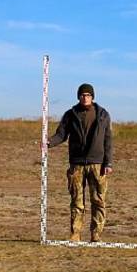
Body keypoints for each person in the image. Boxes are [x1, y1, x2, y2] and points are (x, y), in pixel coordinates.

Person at [47, 83, 113, 242]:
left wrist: (108, 163)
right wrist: (48, 143)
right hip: (77, 164)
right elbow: (61, 135)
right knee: (77, 201)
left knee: (98, 200)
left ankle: (96, 235)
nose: (85, 97)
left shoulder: (103, 114)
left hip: (97, 164)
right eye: (83, 95)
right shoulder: (70, 114)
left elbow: (108, 140)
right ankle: (75, 234)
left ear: (93, 97)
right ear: (78, 97)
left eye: (88, 95)